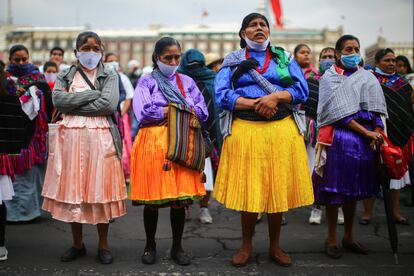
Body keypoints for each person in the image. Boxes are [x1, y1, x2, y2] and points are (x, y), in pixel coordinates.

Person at [213, 13, 314, 267]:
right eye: (252, 25)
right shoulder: (233, 61)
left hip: (281, 130)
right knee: (250, 189)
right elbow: (221, 94)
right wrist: (257, 103)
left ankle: (275, 246)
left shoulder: (283, 57)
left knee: (276, 188)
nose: (259, 28)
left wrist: (276, 98)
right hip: (246, 129)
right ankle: (246, 245)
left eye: (263, 25)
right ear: (242, 34)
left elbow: (302, 90)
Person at [41, 31, 127, 264]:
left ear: (101, 49)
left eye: (95, 48)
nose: (90, 53)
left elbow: (108, 105)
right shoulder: (65, 75)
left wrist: (74, 105)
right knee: (74, 191)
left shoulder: (109, 74)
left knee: (101, 191)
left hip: (102, 140)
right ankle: (77, 244)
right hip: (70, 142)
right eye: (85, 48)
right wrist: (91, 95)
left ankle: (103, 244)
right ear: (76, 51)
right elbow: (57, 100)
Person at [129, 37, 208, 266]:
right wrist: (181, 110)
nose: (173, 61)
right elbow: (143, 112)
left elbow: (202, 112)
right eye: (168, 58)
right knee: (152, 200)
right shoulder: (146, 81)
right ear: (157, 58)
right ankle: (150, 245)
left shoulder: (187, 81)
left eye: (176, 57)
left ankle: (177, 246)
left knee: (179, 201)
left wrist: (167, 110)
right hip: (153, 146)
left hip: (182, 144)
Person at [313, 35, 388, 259]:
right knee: (335, 191)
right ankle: (332, 238)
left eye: (356, 48)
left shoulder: (367, 77)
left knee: (353, 192)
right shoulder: (330, 78)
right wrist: (365, 131)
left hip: (364, 144)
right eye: (348, 49)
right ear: (338, 54)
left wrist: (377, 129)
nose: (353, 52)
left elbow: (375, 108)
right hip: (340, 139)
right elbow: (334, 113)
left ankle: (348, 236)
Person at [360, 48, 414, 225]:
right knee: (373, 171)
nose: (391, 64)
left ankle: (395, 212)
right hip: (375, 130)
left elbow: (406, 109)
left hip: (396, 131)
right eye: (387, 60)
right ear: (377, 62)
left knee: (395, 173)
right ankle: (367, 213)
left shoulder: (403, 84)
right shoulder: (369, 79)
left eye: (393, 61)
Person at [3, 45, 51, 222]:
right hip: (10, 130)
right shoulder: (5, 79)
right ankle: (11, 214)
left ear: (29, 58)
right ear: (10, 60)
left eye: (24, 59)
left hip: (32, 133)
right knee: (11, 174)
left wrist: (37, 95)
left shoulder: (37, 77)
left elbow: (49, 100)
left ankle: (31, 212)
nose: (21, 63)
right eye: (17, 60)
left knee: (30, 174)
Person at [178, 49, 223, 224]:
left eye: (198, 63)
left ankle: (204, 208)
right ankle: (185, 207)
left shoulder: (212, 79)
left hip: (209, 134)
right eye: (191, 64)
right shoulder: (178, 80)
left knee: (208, 173)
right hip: (185, 132)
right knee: (186, 173)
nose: (195, 67)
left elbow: (218, 105)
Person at [306, 47, 344, 225]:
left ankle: (340, 207)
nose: (328, 59)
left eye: (331, 57)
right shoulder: (311, 81)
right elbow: (306, 106)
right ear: (319, 60)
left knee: (338, 171)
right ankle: (316, 207)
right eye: (324, 57)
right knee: (317, 171)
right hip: (317, 131)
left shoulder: (344, 79)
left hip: (339, 132)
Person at [104, 52, 134, 181]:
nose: (113, 63)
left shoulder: (123, 77)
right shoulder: (102, 76)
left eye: (115, 60)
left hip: (120, 115)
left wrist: (121, 113)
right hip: (106, 115)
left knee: (123, 141)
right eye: (110, 60)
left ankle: (125, 171)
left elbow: (128, 96)